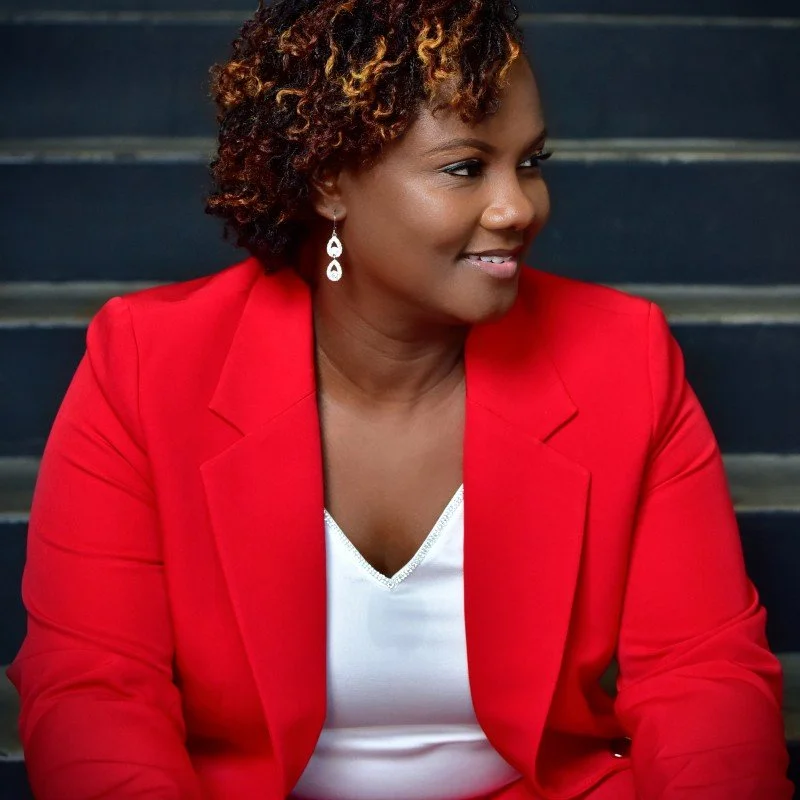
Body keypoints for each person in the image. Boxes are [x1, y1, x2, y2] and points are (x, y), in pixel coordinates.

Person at [7, 1, 793, 798]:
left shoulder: (625, 358)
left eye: (530, 162)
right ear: (329, 181)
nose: (519, 208)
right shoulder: (147, 365)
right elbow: (95, 687)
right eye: (465, 168)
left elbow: (702, 674)